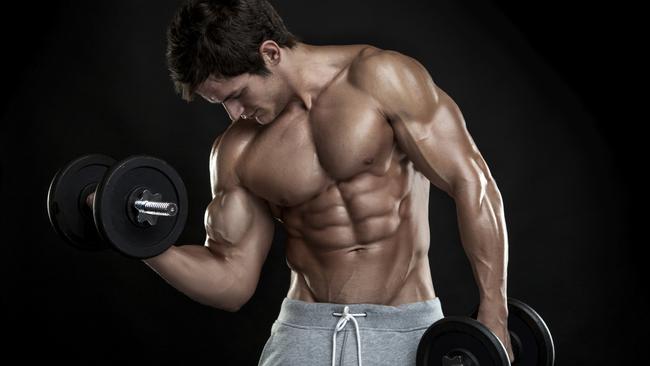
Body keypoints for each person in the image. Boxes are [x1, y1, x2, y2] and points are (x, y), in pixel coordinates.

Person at [145, 0, 514, 364]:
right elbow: (232, 282)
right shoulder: (238, 149)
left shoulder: (382, 80)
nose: (235, 113)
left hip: (405, 331)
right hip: (304, 335)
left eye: (238, 95)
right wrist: (141, 242)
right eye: (222, 103)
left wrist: (495, 313)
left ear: (270, 53)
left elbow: (473, 183)